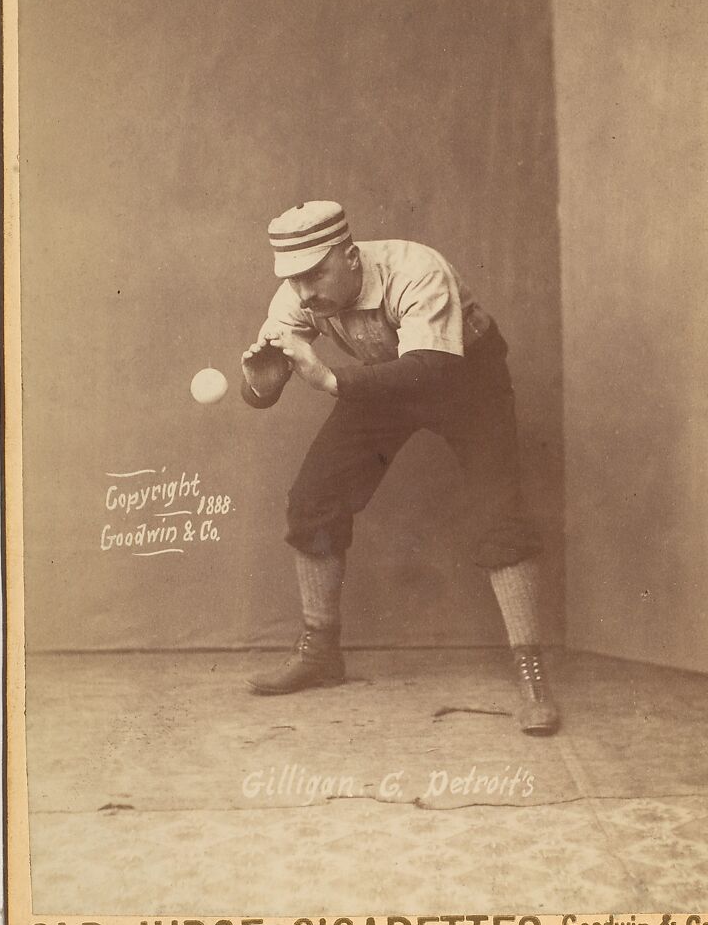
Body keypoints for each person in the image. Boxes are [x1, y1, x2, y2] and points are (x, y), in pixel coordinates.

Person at [240, 200, 560, 735]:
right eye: (294, 278)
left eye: (316, 273)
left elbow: (429, 372)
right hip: (384, 380)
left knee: (498, 513)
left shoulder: (416, 269)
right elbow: (261, 395)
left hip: (463, 378)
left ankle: (533, 676)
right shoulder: (299, 291)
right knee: (313, 498)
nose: (305, 291)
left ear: (349, 257)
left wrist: (328, 381)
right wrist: (262, 379)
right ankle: (320, 653)